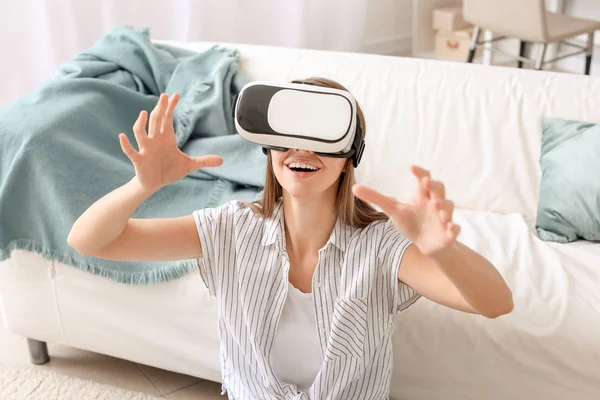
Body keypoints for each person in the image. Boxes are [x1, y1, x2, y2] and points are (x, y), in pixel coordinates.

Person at [68, 77, 513, 399]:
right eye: (287, 137)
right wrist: (142, 186)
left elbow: (495, 303)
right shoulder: (229, 229)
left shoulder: (379, 246)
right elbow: (90, 242)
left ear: (348, 157)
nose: (301, 149)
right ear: (269, 149)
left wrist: (444, 250)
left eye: (320, 137)